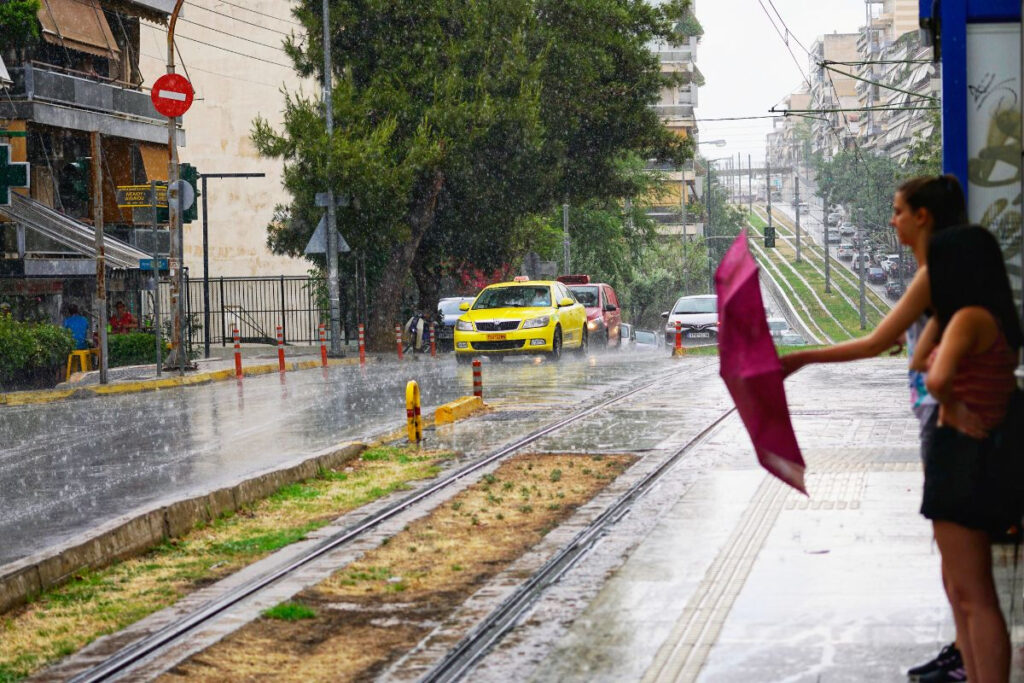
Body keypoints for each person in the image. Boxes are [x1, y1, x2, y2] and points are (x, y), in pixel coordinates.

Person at [780, 175, 970, 681]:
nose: (892, 221)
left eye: (898, 211)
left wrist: (800, 360)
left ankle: (966, 657)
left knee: (958, 559)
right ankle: (963, 649)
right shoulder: (946, 270)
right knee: (957, 558)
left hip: (944, 420)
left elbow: (873, 343)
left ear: (923, 217)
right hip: (939, 418)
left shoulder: (936, 276)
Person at [908, 226, 1022, 683]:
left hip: (963, 459)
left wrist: (951, 405)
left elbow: (934, 379)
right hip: (967, 460)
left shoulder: (970, 318)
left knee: (974, 595)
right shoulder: (975, 314)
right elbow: (920, 360)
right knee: (963, 590)